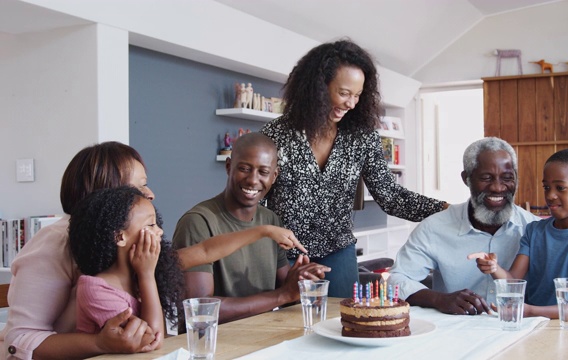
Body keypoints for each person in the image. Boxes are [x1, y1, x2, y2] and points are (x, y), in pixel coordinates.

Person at [0, 141, 305, 360]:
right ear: (109, 199)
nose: (151, 194)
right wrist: (98, 343)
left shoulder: (134, 248)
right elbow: (20, 341)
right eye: (139, 188)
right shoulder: (54, 245)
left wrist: (263, 230)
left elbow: (203, 251)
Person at [259, 39, 447, 297]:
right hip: (285, 257)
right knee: (291, 328)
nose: (351, 103)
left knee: (342, 323)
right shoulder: (276, 135)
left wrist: (445, 210)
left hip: (339, 253)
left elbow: (390, 196)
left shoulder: (362, 137)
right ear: (318, 87)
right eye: (344, 93)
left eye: (358, 95)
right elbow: (255, 200)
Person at [173, 132, 330, 324]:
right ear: (229, 167)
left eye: (263, 172)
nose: (253, 180)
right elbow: (200, 310)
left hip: (263, 337)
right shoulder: (197, 222)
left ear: (274, 176)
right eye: (245, 169)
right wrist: (282, 295)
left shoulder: (271, 220)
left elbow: (287, 292)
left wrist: (299, 280)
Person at [388, 137, 538, 315]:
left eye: (507, 178)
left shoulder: (534, 228)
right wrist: (439, 299)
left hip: (519, 328)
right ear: (466, 178)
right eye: (486, 178)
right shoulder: (435, 227)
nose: (498, 188)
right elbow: (396, 280)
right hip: (455, 331)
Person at [468, 148, 568, 319]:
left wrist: (531, 311)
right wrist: (494, 268)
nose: (550, 195)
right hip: (534, 325)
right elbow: (512, 281)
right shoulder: (534, 231)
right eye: (546, 187)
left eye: (560, 188)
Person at [69, 186, 182, 349]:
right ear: (120, 237)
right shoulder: (95, 289)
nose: (159, 231)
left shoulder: (136, 279)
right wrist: (147, 275)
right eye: (151, 224)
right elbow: (151, 340)